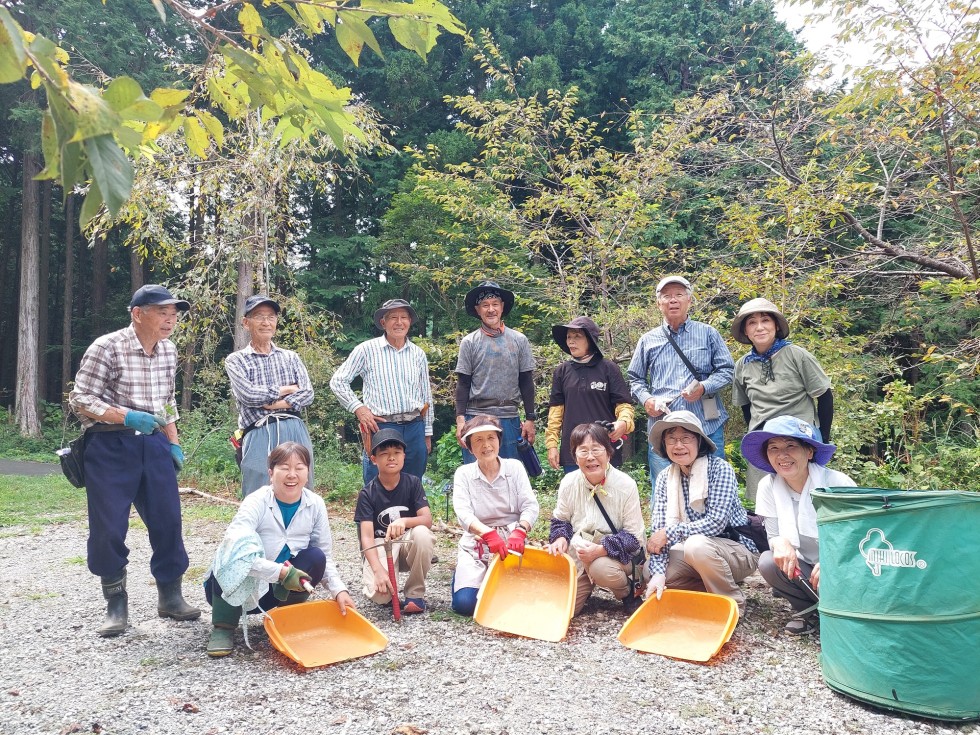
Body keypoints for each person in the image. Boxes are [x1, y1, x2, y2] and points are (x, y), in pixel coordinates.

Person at [68, 284, 200, 637]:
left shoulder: (169, 351)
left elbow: (167, 401)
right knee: (109, 526)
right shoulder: (108, 346)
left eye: (174, 315)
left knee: (168, 521)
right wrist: (124, 416)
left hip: (154, 444)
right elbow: (80, 397)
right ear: (137, 313)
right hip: (110, 445)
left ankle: (170, 597)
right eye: (162, 313)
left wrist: (173, 443)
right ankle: (116, 605)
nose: (170, 320)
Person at [205, 442, 353, 657]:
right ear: (271, 473)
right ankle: (223, 626)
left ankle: (286, 618)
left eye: (299, 467)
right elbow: (235, 549)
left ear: (307, 472)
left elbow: (325, 553)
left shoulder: (316, 504)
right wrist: (281, 572)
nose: (292, 474)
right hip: (236, 591)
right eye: (284, 467)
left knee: (316, 557)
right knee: (231, 553)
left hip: (278, 591)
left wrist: (339, 589)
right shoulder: (255, 501)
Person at [741, 415, 855, 634]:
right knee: (768, 562)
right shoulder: (768, 485)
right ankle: (808, 612)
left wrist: (833, 561)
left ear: (809, 451)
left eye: (791, 445)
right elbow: (773, 535)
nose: (782, 455)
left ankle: (844, 615)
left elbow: (857, 536)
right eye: (773, 448)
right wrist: (779, 542)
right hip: (804, 566)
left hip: (841, 565)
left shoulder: (837, 483)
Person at [645, 411, 759, 616]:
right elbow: (659, 528)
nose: (678, 446)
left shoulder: (719, 469)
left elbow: (716, 523)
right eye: (671, 439)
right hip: (697, 554)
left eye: (686, 438)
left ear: (699, 441)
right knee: (651, 571)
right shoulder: (665, 478)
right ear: (664, 445)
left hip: (737, 550)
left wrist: (668, 534)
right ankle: (708, 591)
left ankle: (732, 605)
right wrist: (658, 574)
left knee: (696, 545)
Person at [627, 275, 734, 486]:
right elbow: (635, 378)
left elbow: (727, 370)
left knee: (714, 484)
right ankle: (665, 521)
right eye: (666, 296)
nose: (672, 300)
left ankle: (714, 520)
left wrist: (704, 387)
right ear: (659, 304)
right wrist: (647, 400)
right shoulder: (648, 339)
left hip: (706, 425)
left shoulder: (708, 333)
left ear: (689, 301)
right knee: (663, 486)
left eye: (678, 295)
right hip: (663, 427)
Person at [731, 297, 833, 502]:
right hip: (764, 438)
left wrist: (822, 438)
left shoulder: (796, 355)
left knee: (807, 495)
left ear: (776, 326)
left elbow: (824, 396)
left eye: (765, 321)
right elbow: (746, 406)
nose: (759, 327)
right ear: (745, 331)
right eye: (752, 322)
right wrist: (756, 434)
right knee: (765, 498)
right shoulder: (742, 365)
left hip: (799, 435)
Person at [330, 299, 434, 485]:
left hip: (415, 426)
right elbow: (338, 381)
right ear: (383, 323)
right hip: (382, 426)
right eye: (393, 317)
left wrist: (427, 433)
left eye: (404, 317)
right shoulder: (366, 350)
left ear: (410, 321)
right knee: (377, 484)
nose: (399, 322)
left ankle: (410, 515)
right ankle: (376, 515)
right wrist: (359, 409)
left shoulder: (418, 354)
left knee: (413, 484)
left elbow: (426, 396)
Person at [547, 423, 646, 615]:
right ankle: (585, 588)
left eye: (596, 449)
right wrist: (560, 538)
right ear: (575, 457)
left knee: (601, 568)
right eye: (582, 451)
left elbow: (634, 538)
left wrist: (600, 550)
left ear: (608, 453)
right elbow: (561, 520)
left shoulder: (626, 485)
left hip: (620, 557)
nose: (590, 457)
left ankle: (628, 593)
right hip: (581, 556)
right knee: (562, 611)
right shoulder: (569, 482)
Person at [225, 295, 316, 497]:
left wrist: (273, 405)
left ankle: (302, 529)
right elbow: (248, 394)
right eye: (259, 316)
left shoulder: (291, 357)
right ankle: (257, 530)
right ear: (246, 322)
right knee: (257, 490)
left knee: (302, 484)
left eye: (271, 317)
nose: (266, 322)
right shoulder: (236, 360)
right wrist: (287, 389)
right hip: (258, 430)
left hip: (294, 428)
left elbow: (308, 394)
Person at [451, 415, 539, 616]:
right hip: (478, 543)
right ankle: (462, 579)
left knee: (518, 599)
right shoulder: (463, 474)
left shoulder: (515, 467)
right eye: (478, 440)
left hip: (511, 543)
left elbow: (530, 506)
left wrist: (521, 530)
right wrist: (488, 534)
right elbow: (463, 512)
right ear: (470, 447)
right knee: (466, 605)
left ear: (499, 440)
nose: (486, 445)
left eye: (491, 438)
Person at [354, 429, 436, 614]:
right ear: (374, 459)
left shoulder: (413, 483)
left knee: (423, 534)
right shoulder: (367, 494)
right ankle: (377, 574)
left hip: (407, 544)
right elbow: (366, 537)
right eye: (384, 454)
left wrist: (404, 521)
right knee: (382, 596)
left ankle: (415, 594)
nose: (392, 458)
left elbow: (427, 520)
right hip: (380, 545)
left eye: (397, 453)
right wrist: (378, 570)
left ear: (404, 456)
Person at [454, 281, 536, 462]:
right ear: (478, 310)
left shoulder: (519, 340)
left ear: (502, 307)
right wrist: (460, 419)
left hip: (509, 417)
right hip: (476, 417)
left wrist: (530, 419)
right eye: (485, 305)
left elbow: (526, 382)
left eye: (495, 304)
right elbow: (463, 384)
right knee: (477, 474)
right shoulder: (469, 342)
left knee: (510, 474)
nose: (490, 309)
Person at [546, 316, 634, 473]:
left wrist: (623, 423)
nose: (571, 341)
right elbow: (555, 414)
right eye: (569, 337)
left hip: (605, 449)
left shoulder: (609, 368)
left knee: (607, 495)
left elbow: (624, 405)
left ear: (590, 340)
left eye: (577, 336)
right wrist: (552, 444)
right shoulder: (562, 371)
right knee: (575, 495)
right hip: (573, 450)